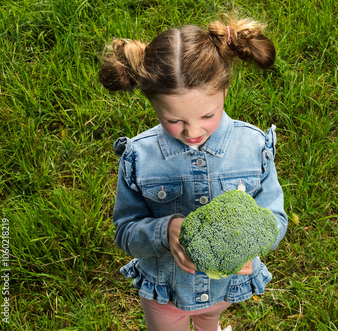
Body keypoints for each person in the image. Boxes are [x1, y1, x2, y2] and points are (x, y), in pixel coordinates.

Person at [99, 14, 288, 331]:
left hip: (224, 289)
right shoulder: (138, 158)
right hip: (166, 293)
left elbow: (275, 218)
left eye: (207, 115)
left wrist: (251, 243)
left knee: (208, 322)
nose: (193, 130)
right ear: (153, 105)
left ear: (225, 91)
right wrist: (166, 230)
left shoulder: (253, 147)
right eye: (175, 120)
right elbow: (125, 231)